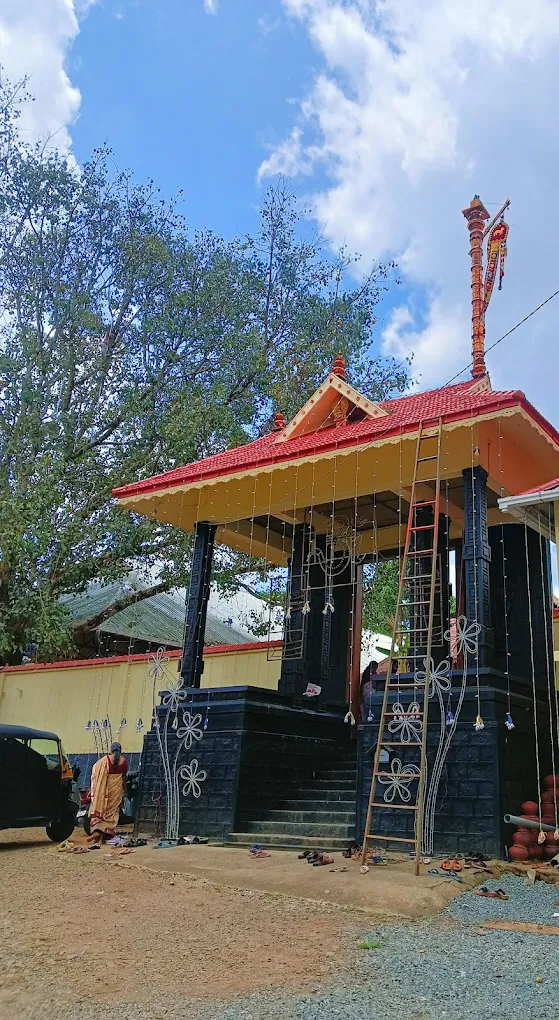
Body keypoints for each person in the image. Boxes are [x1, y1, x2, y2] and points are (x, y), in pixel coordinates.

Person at [88, 742, 128, 844]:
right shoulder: (124, 761)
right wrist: (125, 791)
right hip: (116, 791)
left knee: (103, 810)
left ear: (111, 750)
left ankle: (98, 834)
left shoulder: (103, 761)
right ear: (120, 750)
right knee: (112, 812)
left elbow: (95, 775)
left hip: (103, 791)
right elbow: (124, 778)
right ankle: (106, 833)